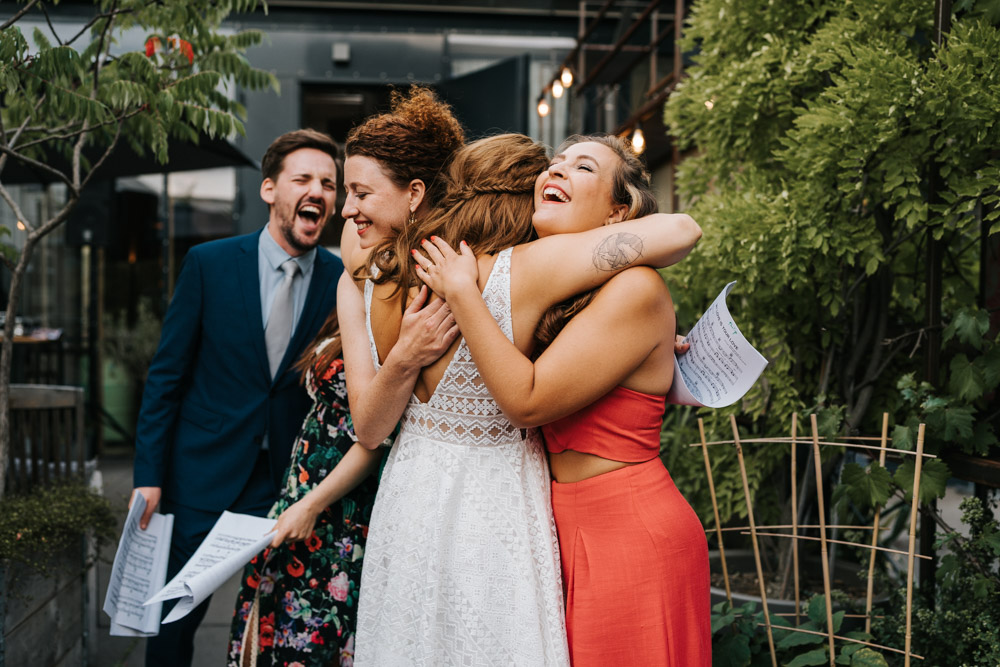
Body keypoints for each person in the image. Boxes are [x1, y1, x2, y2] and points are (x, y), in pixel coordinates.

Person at [342, 133, 702, 666]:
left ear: (618, 212)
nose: (555, 172)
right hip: (552, 515)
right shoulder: (560, 289)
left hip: (621, 523)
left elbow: (528, 399)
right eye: (552, 163)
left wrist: (464, 294)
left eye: (581, 167)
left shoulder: (622, 286)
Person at [225, 86, 464, 667]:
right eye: (344, 191)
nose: (345, 208)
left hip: (352, 505)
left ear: (414, 195)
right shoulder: (358, 273)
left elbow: (375, 431)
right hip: (303, 489)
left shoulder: (447, 285)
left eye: (356, 191)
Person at [131, 129, 343, 667]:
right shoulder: (209, 263)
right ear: (270, 189)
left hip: (284, 486)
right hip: (198, 477)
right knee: (174, 619)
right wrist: (148, 476)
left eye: (328, 183)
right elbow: (166, 377)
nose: (316, 190)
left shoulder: (342, 280)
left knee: (275, 621)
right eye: (303, 179)